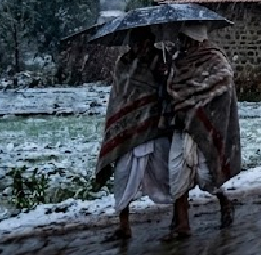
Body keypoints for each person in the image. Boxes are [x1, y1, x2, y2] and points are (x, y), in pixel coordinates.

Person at [95, 27, 175, 242]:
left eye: (146, 42)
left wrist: (165, 74)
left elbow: (170, 88)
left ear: (151, 41)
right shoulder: (124, 64)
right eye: (138, 43)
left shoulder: (161, 60)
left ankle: (179, 218)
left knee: (166, 174)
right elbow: (120, 95)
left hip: (155, 126)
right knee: (123, 177)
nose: (142, 47)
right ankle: (124, 225)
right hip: (128, 130)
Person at [162, 23, 241, 240]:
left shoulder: (214, 59)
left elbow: (223, 81)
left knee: (206, 175)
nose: (184, 43)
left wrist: (196, 101)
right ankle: (183, 225)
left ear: (196, 38)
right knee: (176, 172)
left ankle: (224, 201)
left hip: (204, 125)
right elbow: (174, 86)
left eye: (187, 38)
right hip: (182, 124)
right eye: (182, 39)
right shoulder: (178, 60)